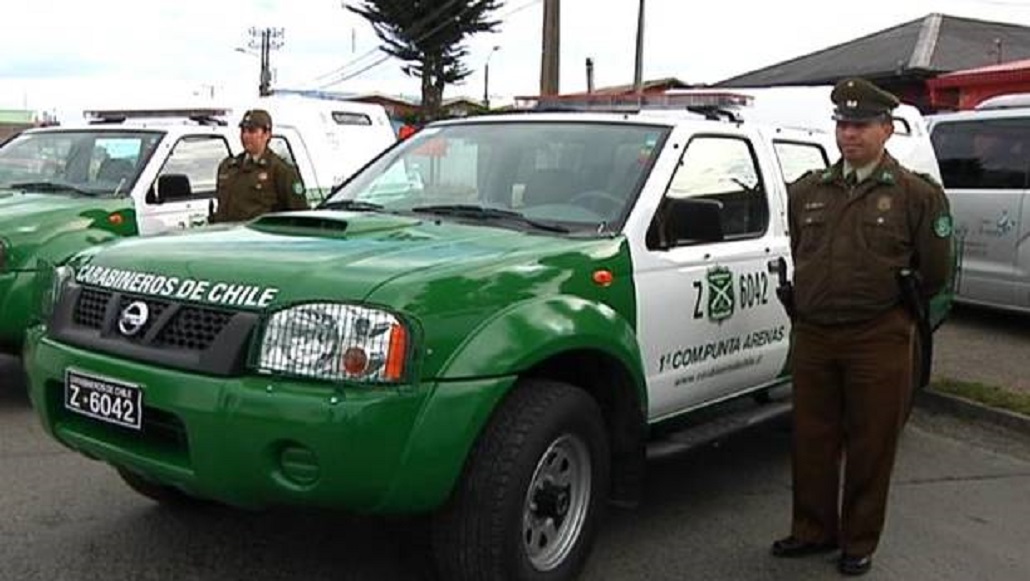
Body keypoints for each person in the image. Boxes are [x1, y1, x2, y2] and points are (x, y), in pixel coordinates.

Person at [771, 78, 953, 576]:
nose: (849, 135)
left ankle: (858, 540)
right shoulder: (809, 190)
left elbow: (934, 270)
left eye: (861, 125)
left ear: (886, 130)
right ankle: (812, 530)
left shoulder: (917, 195)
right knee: (812, 437)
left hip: (878, 336)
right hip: (813, 333)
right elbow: (802, 253)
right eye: (843, 125)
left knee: (872, 441)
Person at [209, 109, 308, 223]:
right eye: (243, 131)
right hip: (226, 236)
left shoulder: (280, 170)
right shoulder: (228, 167)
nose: (245, 136)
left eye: (252, 131)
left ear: (267, 134)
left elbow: (299, 214)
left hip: (260, 238)